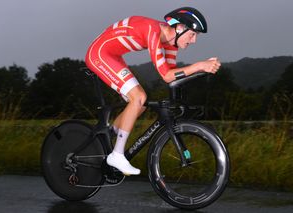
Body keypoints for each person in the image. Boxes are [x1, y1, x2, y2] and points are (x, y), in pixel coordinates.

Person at [85, 7, 221, 175]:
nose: (193, 41)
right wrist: (198, 66)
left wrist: (201, 71)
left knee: (139, 105)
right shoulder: (153, 31)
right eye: (193, 34)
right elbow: (166, 75)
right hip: (99, 54)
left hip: (113, 56)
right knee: (139, 97)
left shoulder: (171, 43)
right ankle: (116, 155)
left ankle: (109, 134)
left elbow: (173, 76)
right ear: (179, 28)